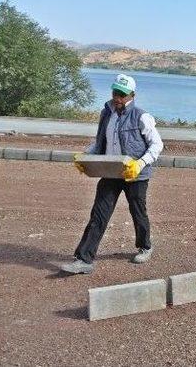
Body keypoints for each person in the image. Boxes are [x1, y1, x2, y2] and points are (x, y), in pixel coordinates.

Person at [61, 74, 164, 274]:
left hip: (135, 174)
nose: (117, 97)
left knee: (138, 211)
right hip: (110, 171)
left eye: (122, 94)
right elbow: (101, 141)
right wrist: (86, 156)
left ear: (132, 95)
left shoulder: (142, 117)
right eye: (115, 92)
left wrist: (140, 163)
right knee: (99, 213)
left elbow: (157, 144)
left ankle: (145, 246)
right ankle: (84, 259)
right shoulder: (107, 114)